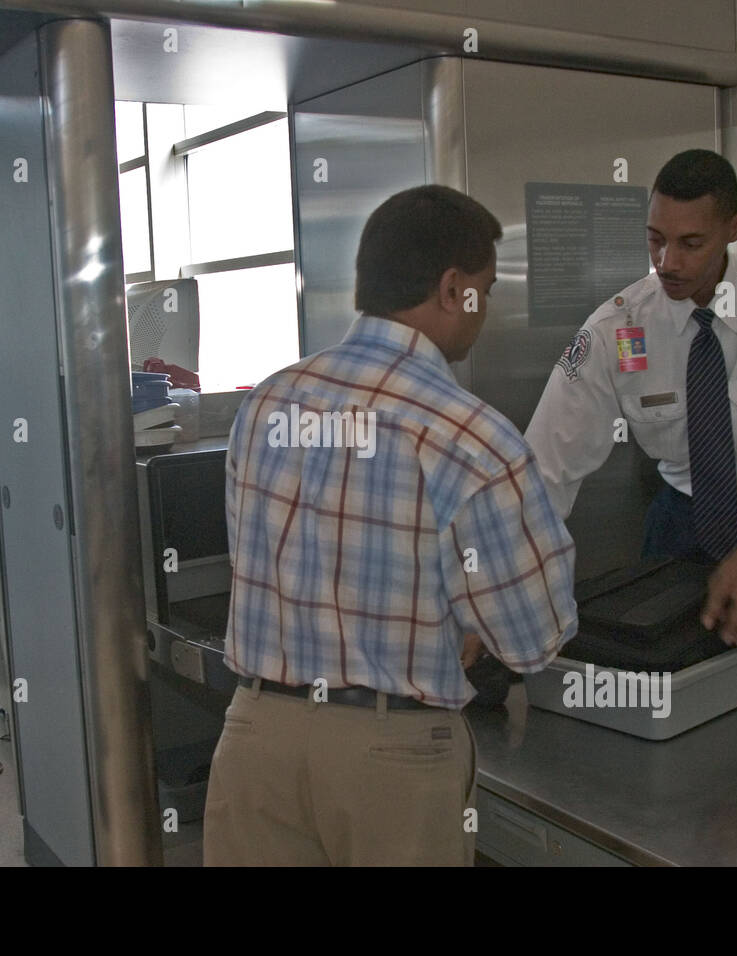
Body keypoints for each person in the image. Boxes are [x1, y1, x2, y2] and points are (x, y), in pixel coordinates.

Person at [204, 186, 578, 866]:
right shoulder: (473, 437)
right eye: (484, 291)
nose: (483, 311)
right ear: (451, 288)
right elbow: (532, 638)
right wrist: (462, 625)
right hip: (390, 760)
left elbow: (281, 564)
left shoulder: (267, 402)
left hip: (255, 734)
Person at [524, 149, 737, 685]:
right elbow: (545, 468)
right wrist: (503, 585)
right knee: (668, 692)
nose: (667, 262)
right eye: (655, 238)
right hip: (680, 528)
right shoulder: (618, 328)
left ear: (734, 228)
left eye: (690, 243)